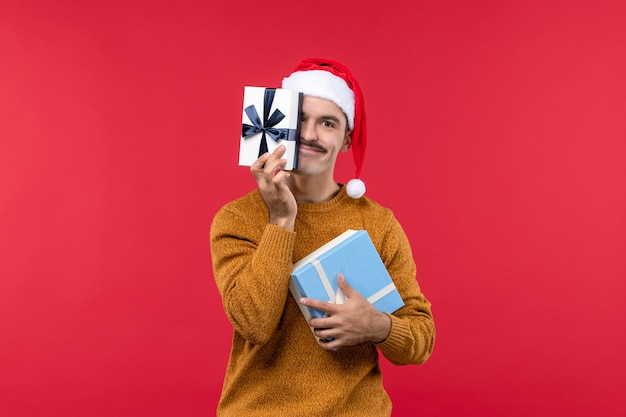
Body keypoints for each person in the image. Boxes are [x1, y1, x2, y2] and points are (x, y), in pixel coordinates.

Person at [210, 58, 435, 417]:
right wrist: (282, 219)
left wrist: (377, 326)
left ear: (346, 139)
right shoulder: (237, 219)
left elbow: (421, 340)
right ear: (280, 122)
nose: (310, 134)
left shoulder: (378, 223)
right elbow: (254, 323)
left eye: (327, 123)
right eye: (299, 119)